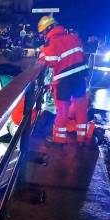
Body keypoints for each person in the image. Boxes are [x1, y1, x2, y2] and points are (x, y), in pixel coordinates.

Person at [37, 16, 89, 146]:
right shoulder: (72, 37)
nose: (43, 34)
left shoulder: (51, 42)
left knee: (62, 110)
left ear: (49, 28)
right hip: (80, 78)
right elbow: (81, 56)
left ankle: (59, 139)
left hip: (63, 81)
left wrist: (43, 53)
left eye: (44, 31)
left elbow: (52, 62)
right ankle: (82, 139)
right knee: (81, 109)